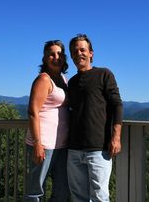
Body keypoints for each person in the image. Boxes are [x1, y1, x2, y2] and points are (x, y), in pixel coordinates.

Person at [67, 34, 123, 202]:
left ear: (91, 53)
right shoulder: (72, 82)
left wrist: (116, 137)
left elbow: (117, 105)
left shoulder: (104, 74)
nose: (79, 54)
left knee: (100, 196)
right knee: (78, 197)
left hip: (99, 148)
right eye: (75, 51)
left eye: (82, 50)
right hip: (74, 148)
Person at [25, 40, 70, 202]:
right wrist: (38, 143)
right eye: (51, 54)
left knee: (62, 190)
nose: (55, 57)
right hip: (44, 145)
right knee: (36, 191)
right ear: (44, 58)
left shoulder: (63, 79)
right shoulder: (43, 79)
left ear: (64, 58)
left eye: (59, 54)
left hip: (61, 144)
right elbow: (32, 111)